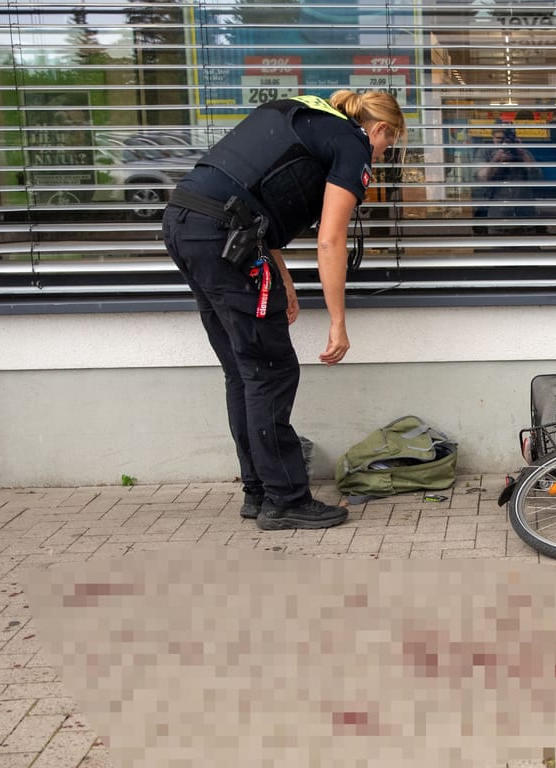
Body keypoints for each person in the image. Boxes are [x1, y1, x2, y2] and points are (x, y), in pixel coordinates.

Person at [162, 90, 403, 531]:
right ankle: (286, 500)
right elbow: (330, 240)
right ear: (380, 129)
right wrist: (337, 321)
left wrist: (284, 281)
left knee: (244, 369)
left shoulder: (304, 113)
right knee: (270, 371)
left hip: (186, 224)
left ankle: (259, 491)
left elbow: (254, 194)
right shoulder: (352, 142)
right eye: (389, 146)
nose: (383, 155)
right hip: (223, 237)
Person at [474, 127, 541, 236]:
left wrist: (523, 154)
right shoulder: (485, 153)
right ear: (493, 138)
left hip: (525, 222)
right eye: (500, 139)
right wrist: (496, 161)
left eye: (507, 140)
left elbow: (538, 179)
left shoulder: (523, 153)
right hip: (498, 222)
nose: (504, 143)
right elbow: (482, 178)